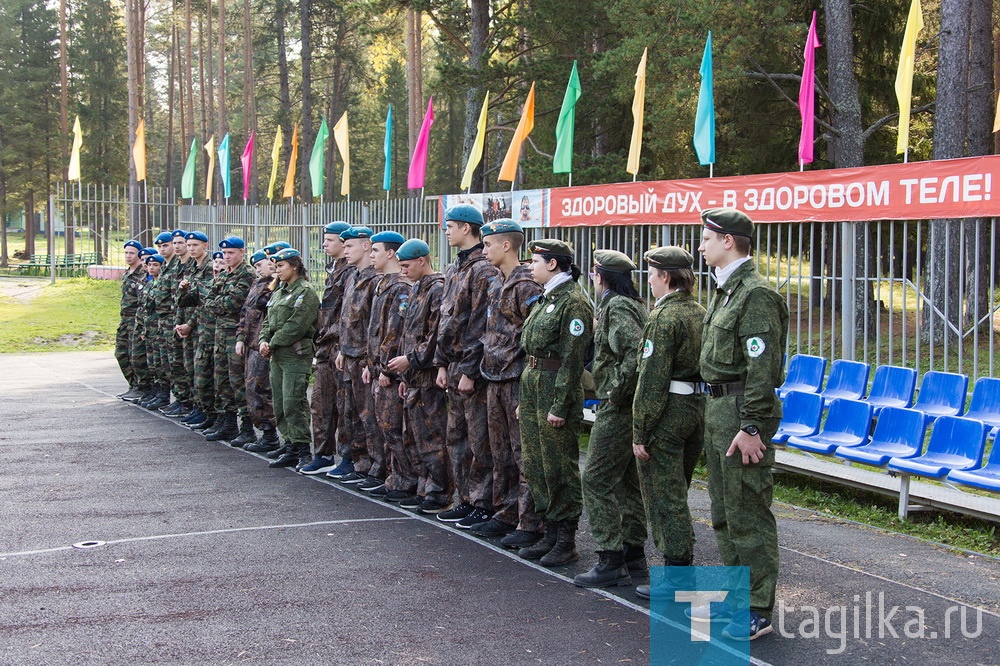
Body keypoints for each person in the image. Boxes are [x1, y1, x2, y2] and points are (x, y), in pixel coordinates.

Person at [695, 207, 788, 641]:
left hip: (739, 413)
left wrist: (752, 426)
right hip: (718, 411)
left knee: (747, 513)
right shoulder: (726, 291)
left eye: (707, 238)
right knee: (723, 514)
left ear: (728, 240)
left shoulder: (754, 294)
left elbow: (761, 368)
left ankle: (757, 608)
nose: (701, 245)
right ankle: (738, 600)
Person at [630, 246, 706, 600]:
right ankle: (680, 568)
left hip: (667, 410)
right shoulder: (700, 312)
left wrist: (640, 429)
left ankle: (678, 577)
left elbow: (652, 377)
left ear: (664, 276)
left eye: (651, 274)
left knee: (665, 496)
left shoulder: (664, 317)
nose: (648, 280)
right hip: (695, 406)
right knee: (678, 491)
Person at [574, 250, 649, 588]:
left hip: (618, 406)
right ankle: (633, 553)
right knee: (626, 482)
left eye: (594, 272)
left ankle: (610, 556)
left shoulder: (617, 307)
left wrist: (615, 393)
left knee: (596, 478)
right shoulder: (629, 304)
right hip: (626, 404)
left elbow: (633, 355)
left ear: (602, 276)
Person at [517, 239, 593, 567]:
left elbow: (572, 359)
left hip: (555, 387)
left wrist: (560, 405)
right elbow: (531, 349)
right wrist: (527, 398)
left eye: (534, 261)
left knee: (558, 465)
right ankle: (549, 531)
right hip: (535, 384)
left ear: (552, 264)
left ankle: (566, 538)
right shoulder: (546, 298)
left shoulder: (573, 302)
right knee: (536, 464)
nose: (529, 266)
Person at [470, 219, 544, 546]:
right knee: (500, 452)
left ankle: (530, 524)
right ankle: (506, 512)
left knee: (522, 454)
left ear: (506, 245)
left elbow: (538, 337)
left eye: (488, 245)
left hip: (516, 377)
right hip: (494, 375)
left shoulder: (527, 284)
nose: (483, 250)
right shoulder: (497, 281)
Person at [433, 204, 499, 529]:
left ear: (466, 228)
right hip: (454, 365)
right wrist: (442, 363)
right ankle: (466, 498)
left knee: (478, 439)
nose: (446, 231)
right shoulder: (456, 267)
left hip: (471, 369)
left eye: (450, 225)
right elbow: (445, 320)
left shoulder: (483, 269)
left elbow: (480, 325)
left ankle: (483, 503)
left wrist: (471, 370)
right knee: (455, 436)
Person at [388, 239, 448, 513]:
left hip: (427, 375)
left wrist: (411, 361)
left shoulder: (436, 289)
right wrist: (405, 376)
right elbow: (408, 335)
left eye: (407, 265)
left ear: (422, 261)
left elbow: (435, 336)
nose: (403, 270)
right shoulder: (417, 289)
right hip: (413, 377)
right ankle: (424, 486)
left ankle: (438, 492)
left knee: (432, 437)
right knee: (415, 436)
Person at [259, 248, 320, 468]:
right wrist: (263, 341)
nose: (277, 271)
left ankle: (303, 448)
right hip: (277, 355)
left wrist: (272, 343)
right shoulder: (280, 291)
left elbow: (297, 325)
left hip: (295, 355)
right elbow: (268, 321)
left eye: (281, 266)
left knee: (294, 401)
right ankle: (290, 443)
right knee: (280, 402)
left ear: (294, 265)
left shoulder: (305, 292)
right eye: (275, 267)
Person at [359, 230, 410, 495]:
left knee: (393, 428)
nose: (371, 254)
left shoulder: (400, 286)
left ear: (391, 253)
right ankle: (394, 477)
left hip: (389, 371)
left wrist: (386, 369)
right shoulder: (382, 284)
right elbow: (374, 330)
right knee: (383, 427)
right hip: (378, 368)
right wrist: (371, 363)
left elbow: (395, 332)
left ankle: (404, 479)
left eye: (376, 250)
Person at [302, 222, 353, 475]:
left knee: (344, 406)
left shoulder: (351, 271)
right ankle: (322, 453)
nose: (324, 244)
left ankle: (347, 458)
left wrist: (335, 339)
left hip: (339, 345)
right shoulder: (334, 269)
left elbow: (347, 315)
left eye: (329, 240)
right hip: (326, 346)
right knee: (321, 403)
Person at [334, 226, 379, 483]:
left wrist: (366, 360)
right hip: (348, 354)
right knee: (349, 413)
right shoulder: (353, 276)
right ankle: (356, 461)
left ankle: (371, 466)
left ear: (365, 246)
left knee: (367, 416)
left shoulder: (375, 279)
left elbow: (373, 326)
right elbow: (346, 318)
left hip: (363, 358)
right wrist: (342, 348)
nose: (345, 251)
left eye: (349, 246)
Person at [204, 236, 255, 443]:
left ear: (242, 252)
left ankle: (247, 427)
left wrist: (217, 304)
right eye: (224, 253)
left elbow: (233, 304)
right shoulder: (224, 275)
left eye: (231, 253)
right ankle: (229, 423)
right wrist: (217, 303)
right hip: (220, 336)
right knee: (222, 381)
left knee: (238, 383)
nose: (227, 257)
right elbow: (208, 301)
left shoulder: (246, 275)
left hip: (236, 336)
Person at [236, 250, 281, 453]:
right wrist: (240, 337)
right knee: (252, 389)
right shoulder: (257, 284)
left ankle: (270, 434)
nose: (259, 269)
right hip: (252, 342)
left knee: (262, 390)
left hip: (265, 345)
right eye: (256, 266)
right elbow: (245, 312)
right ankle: (263, 431)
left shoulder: (278, 284)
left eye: (261, 264)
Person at [185, 250, 228, 431]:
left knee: (221, 383)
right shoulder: (211, 283)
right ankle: (209, 414)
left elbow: (220, 306)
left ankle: (223, 420)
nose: (217, 267)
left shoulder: (229, 283)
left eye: (221, 263)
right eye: (216, 263)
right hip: (205, 334)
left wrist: (205, 295)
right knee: (202, 378)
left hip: (220, 337)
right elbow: (192, 304)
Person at [175, 232, 214, 427]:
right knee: (191, 368)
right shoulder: (190, 266)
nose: (191, 248)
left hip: (202, 326)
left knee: (202, 372)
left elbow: (204, 301)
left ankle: (207, 411)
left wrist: (190, 324)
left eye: (194, 245)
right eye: (189, 245)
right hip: (191, 324)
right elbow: (186, 300)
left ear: (205, 246)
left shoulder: (210, 267)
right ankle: (198, 407)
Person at [142, 231, 178, 411]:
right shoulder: (165, 268)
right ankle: (162, 394)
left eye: (166, 245)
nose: (163, 249)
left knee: (175, 364)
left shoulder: (175, 267)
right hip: (160, 324)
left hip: (173, 323)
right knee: (161, 362)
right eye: (160, 246)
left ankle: (182, 401)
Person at [162, 229, 194, 417]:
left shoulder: (191, 267)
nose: (178, 246)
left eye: (181, 243)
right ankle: (182, 399)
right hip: (176, 319)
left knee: (188, 365)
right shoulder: (175, 267)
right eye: (176, 243)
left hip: (191, 322)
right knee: (176, 362)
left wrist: (187, 322)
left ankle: (189, 402)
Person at [115, 240, 148, 401]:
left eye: (132, 253)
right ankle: (133, 384)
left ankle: (141, 387)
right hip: (125, 320)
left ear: (139, 255)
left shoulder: (142, 274)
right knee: (121, 353)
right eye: (126, 253)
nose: (128, 256)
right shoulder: (128, 273)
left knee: (137, 356)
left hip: (136, 320)